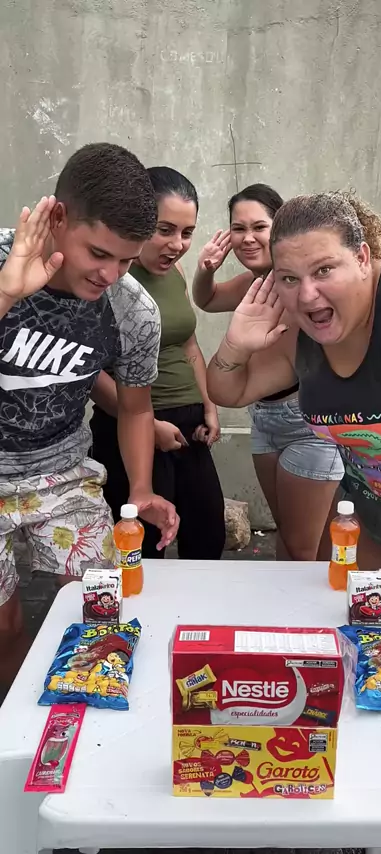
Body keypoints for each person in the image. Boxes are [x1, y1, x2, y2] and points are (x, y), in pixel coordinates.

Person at [207, 190, 381, 687]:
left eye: (324, 270)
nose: (308, 295)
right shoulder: (299, 330)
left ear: (362, 257)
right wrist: (235, 343)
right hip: (377, 497)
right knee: (328, 615)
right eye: (289, 278)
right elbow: (230, 389)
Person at [0, 143, 179, 688]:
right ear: (58, 218)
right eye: (98, 253)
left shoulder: (131, 308)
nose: (110, 273)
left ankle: (81, 718)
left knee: (98, 616)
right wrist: (6, 294)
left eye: (125, 260)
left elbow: (135, 406)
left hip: (62, 471)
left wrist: (141, 488)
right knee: (5, 630)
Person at [193, 184, 343, 561]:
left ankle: (316, 598)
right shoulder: (253, 284)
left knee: (303, 546)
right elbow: (206, 299)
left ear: (280, 227)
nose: (247, 238)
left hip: (305, 422)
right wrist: (205, 270)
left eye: (259, 227)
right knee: (290, 537)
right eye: (238, 228)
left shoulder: (301, 286)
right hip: (263, 418)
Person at [91, 167, 225, 559]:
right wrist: (149, 427)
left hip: (188, 426)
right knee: (144, 549)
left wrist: (210, 405)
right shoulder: (107, 277)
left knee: (207, 536)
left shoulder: (176, 272)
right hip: (130, 423)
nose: (177, 245)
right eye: (164, 230)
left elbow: (188, 344)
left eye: (187, 232)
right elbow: (89, 373)